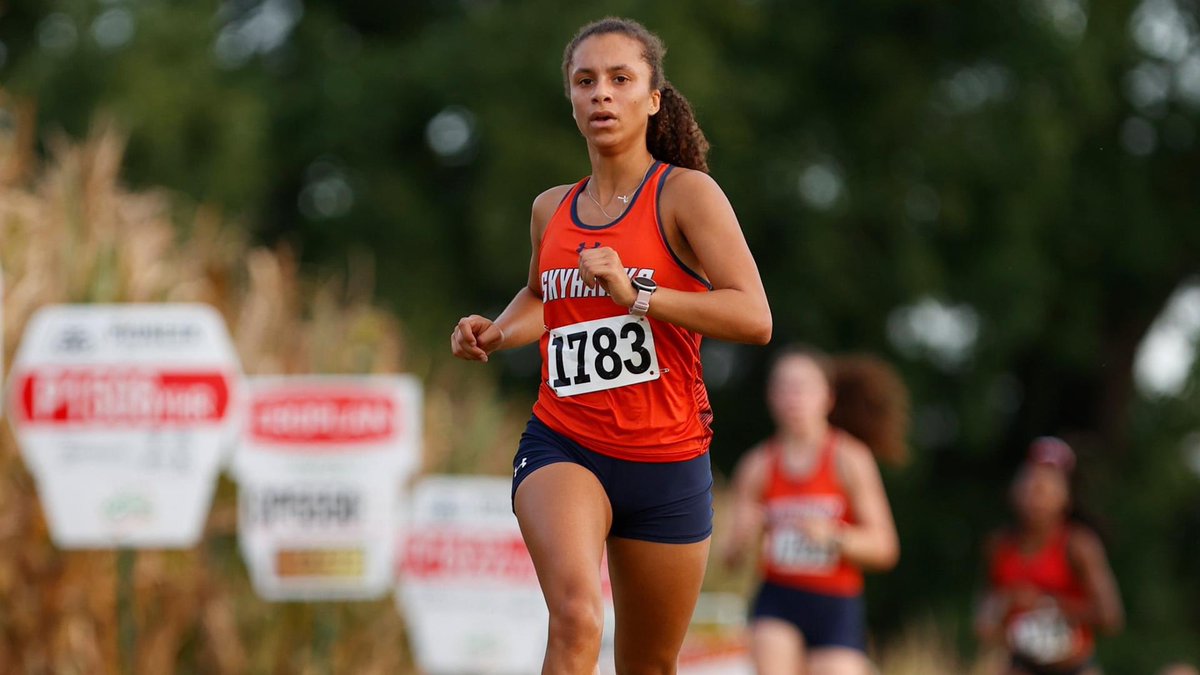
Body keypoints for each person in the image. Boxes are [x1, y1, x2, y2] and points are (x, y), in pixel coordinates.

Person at [449, 16, 772, 675]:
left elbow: (753, 316)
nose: (601, 94)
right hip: (564, 443)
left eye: (621, 79)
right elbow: (545, 297)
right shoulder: (551, 209)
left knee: (648, 664)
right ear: (569, 98)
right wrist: (494, 332)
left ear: (653, 98)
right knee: (576, 615)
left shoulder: (686, 195)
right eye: (585, 81)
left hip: (668, 460)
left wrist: (640, 296)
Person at [721, 346, 908, 675]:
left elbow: (885, 548)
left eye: (803, 387)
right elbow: (729, 559)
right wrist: (743, 535)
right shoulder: (757, 466)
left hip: (836, 604)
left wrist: (834, 537)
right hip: (778, 598)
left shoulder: (849, 459)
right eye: (784, 387)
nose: (794, 398)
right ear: (770, 397)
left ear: (828, 398)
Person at [975, 437, 1125, 675]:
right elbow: (985, 612)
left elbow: (1111, 618)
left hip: (1075, 667)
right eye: (1030, 483)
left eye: (1046, 487)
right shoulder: (999, 545)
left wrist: (1048, 604)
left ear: (1066, 496)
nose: (1035, 495)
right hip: (1022, 663)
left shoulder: (1079, 545)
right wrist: (1000, 610)